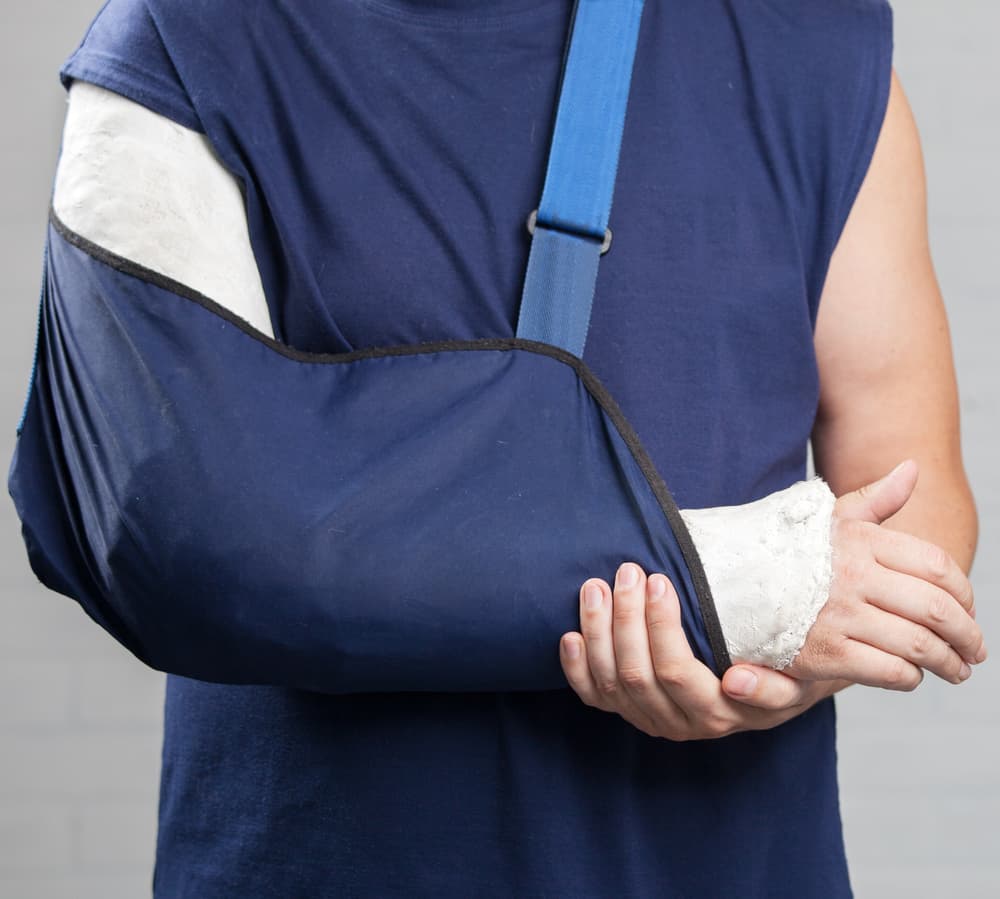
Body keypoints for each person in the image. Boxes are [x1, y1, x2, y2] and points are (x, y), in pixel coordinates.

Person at [13, 0, 984, 895]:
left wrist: (770, 664)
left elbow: (915, 503)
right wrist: (735, 586)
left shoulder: (811, 43)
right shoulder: (187, 40)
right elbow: (175, 527)